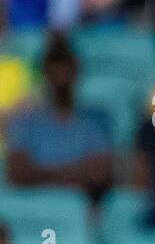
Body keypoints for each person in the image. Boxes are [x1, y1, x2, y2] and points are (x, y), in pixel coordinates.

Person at [5, 34, 113, 200]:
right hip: (34, 206)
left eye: (65, 65)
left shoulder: (97, 120)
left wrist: (44, 175)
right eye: (54, 65)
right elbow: (16, 172)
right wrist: (73, 174)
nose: (60, 74)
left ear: (76, 70)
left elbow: (99, 173)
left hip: (80, 207)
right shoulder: (26, 122)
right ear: (44, 71)